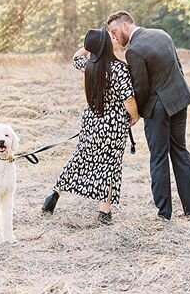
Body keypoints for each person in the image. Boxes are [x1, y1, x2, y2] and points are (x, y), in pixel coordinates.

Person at [107, 11, 190, 221]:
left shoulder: (134, 51)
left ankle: (164, 214)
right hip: (179, 98)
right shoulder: (162, 34)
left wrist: (135, 113)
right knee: (181, 152)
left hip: (158, 109)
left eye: (114, 31)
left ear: (124, 25)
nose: (114, 36)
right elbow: (178, 66)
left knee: (158, 158)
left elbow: (140, 88)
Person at [42, 26, 139, 225]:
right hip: (113, 123)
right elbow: (129, 100)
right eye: (108, 38)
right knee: (109, 164)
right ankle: (104, 212)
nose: (113, 39)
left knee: (81, 156)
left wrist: (89, 47)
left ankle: (54, 195)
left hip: (91, 118)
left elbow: (76, 56)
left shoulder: (87, 64)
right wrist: (135, 117)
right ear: (105, 45)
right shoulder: (119, 69)